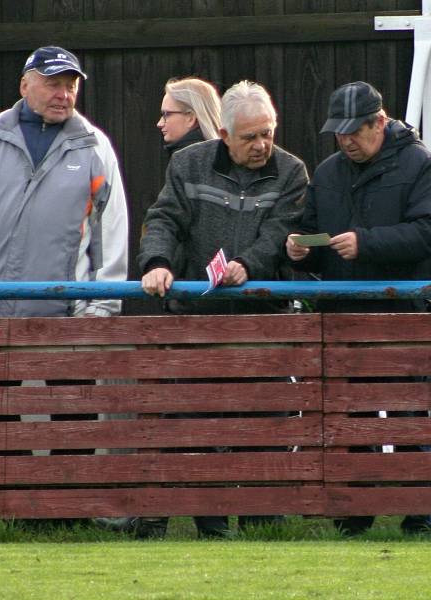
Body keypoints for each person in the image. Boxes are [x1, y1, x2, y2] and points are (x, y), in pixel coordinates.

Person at [136, 80, 308, 538]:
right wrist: (155, 263)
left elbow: (281, 232)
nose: (262, 144)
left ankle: (261, 527)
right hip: (198, 320)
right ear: (225, 135)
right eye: (250, 136)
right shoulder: (187, 164)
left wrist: (248, 264)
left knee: (265, 427)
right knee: (198, 426)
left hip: (261, 322)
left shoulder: (291, 172)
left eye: (267, 132)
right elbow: (164, 219)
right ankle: (211, 525)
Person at [285, 81, 431, 535]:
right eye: (338, 133)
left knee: (408, 416)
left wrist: (366, 244)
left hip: (402, 316)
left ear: (380, 122)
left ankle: (420, 516)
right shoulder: (328, 172)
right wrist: (299, 249)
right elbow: (312, 231)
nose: (346, 141)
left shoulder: (423, 167)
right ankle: (356, 513)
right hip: (341, 315)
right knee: (350, 417)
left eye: (354, 131)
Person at [95, 76, 223, 538]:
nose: (159, 121)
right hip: (187, 309)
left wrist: (167, 267)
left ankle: (158, 519)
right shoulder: (184, 164)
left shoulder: (200, 165)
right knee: (178, 420)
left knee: (177, 421)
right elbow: (164, 226)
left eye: (168, 112)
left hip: (198, 314)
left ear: (191, 117)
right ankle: (167, 519)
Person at [0, 45, 128, 319]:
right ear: (25, 86)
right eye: (53, 84)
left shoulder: (94, 148)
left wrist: (100, 310)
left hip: (70, 325)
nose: (63, 95)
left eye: (71, 86)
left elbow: (111, 233)